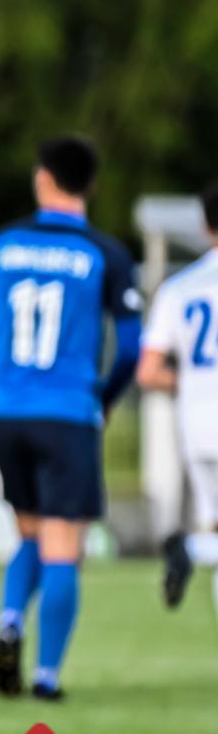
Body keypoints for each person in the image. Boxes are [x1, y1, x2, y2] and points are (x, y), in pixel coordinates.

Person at [0, 136, 142, 701]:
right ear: (91, 185)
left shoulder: (2, 243)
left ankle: (11, 617)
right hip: (68, 411)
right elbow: (131, 347)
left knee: (30, 531)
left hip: (7, 409)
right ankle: (46, 676)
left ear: (42, 179)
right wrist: (103, 397)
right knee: (65, 543)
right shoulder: (104, 253)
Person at [138, 181, 218, 609]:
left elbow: (149, 370)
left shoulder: (179, 288)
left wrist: (192, 381)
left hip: (199, 424)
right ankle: (188, 548)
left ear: (205, 226)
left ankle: (186, 549)